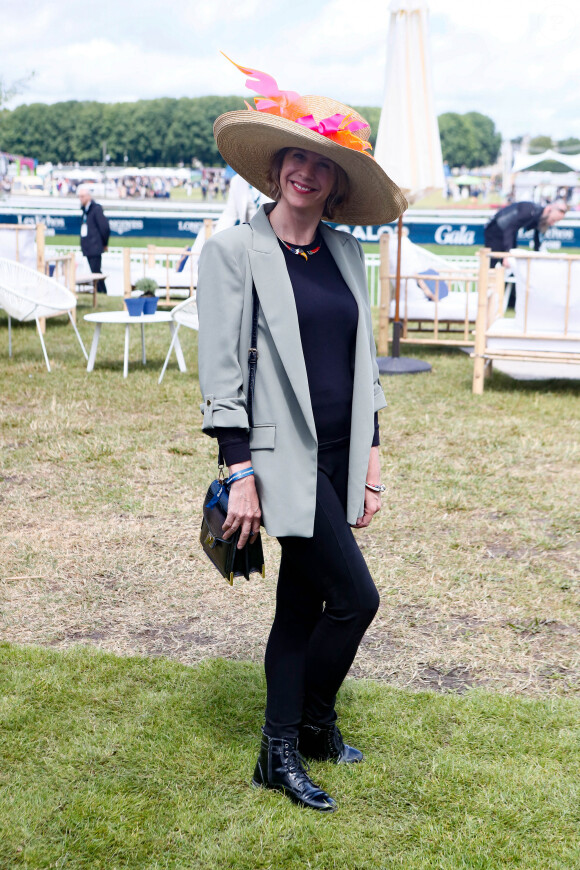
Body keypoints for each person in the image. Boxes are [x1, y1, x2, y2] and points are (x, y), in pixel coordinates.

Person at [196, 59, 407, 813]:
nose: (307, 172)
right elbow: (222, 371)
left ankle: (305, 732)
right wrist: (238, 469)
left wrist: (374, 458)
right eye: (297, 157)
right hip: (280, 457)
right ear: (276, 167)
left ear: (337, 182)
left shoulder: (347, 253)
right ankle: (287, 739)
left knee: (303, 601)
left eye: (323, 163)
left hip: (344, 451)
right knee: (355, 598)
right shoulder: (232, 252)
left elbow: (363, 362)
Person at [484, 199, 568, 266]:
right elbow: (509, 229)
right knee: (493, 261)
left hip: (509, 234)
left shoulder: (539, 216)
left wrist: (539, 257)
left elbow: (537, 239)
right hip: (495, 231)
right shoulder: (530, 211)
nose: (552, 224)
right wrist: (507, 255)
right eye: (553, 220)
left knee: (513, 264)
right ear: (548, 209)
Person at [78, 185, 110, 294]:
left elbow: (104, 228)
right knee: (94, 271)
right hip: (88, 247)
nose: (80, 199)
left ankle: (102, 292)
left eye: (82, 196)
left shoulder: (96, 209)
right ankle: (99, 291)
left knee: (96, 271)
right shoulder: (85, 210)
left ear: (88, 196)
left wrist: (104, 243)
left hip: (95, 246)